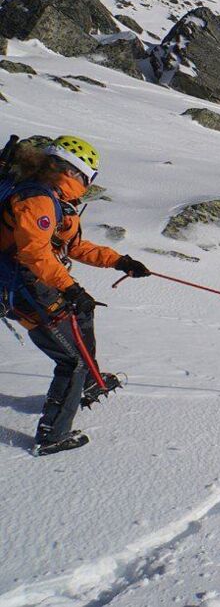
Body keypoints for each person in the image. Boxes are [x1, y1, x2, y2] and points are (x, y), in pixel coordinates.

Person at [0, 136, 151, 456]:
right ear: (70, 171)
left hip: (32, 280)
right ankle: (52, 436)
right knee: (72, 361)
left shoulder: (53, 197)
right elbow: (34, 254)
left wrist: (119, 261)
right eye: (86, 177)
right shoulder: (38, 200)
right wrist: (71, 288)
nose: (86, 185)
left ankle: (87, 382)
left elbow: (73, 245)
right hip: (20, 286)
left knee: (83, 312)